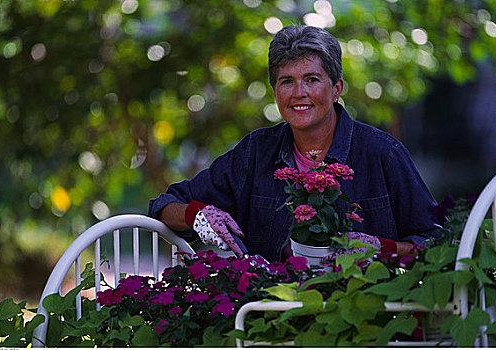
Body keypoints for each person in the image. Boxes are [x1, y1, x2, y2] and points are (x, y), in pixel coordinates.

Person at [148, 25, 441, 262]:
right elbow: (164, 205)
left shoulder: (382, 153)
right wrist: (198, 214)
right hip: (270, 315)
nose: (298, 92)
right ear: (275, 91)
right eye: (286, 81)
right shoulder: (256, 152)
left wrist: (382, 247)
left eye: (312, 79)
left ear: (337, 88)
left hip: (363, 317)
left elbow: (438, 241)